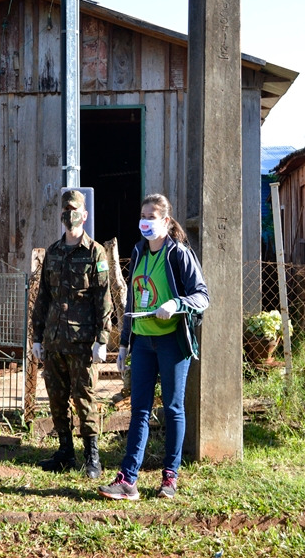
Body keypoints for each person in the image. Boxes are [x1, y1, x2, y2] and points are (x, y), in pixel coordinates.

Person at [98, 193, 208, 501]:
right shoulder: (138, 251)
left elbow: (202, 295)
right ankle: (127, 480)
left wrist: (177, 303)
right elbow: (133, 300)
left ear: (166, 221)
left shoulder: (179, 254)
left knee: (173, 409)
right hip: (143, 343)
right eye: (143, 215)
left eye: (152, 216)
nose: (145, 222)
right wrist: (125, 343)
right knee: (140, 411)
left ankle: (170, 478)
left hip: (172, 342)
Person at [31, 189, 113, 479]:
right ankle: (65, 451)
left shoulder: (95, 252)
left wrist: (102, 340)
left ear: (84, 215)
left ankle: (92, 456)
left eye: (74, 209)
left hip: (82, 342)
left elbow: (103, 298)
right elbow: (43, 297)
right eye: (65, 210)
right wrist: (37, 337)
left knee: (85, 399)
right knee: (56, 397)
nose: (69, 215)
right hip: (54, 340)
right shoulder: (53, 251)